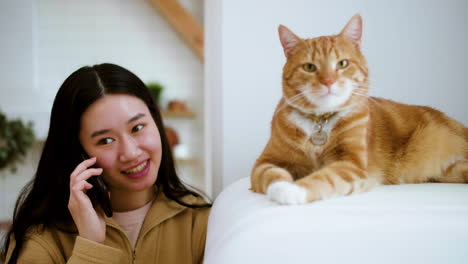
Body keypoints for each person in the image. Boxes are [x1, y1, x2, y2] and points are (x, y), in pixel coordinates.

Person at [0, 63, 211, 264]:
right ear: (78, 152)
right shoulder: (41, 238)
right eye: (105, 140)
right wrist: (90, 247)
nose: (130, 153)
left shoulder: (199, 221)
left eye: (137, 128)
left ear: (156, 122)